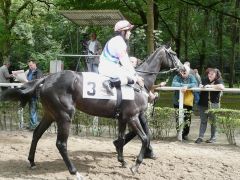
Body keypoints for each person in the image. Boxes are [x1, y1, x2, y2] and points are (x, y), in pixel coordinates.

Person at [98, 20, 144, 95]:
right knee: (133, 79)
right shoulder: (119, 42)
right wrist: (137, 77)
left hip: (108, 67)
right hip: (108, 69)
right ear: (123, 32)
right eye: (128, 31)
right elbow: (126, 62)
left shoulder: (115, 40)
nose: (130, 33)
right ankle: (109, 83)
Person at [195, 68, 224, 144]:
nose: (210, 75)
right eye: (209, 74)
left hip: (214, 104)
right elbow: (201, 85)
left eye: (212, 74)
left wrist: (211, 86)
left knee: (213, 122)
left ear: (216, 75)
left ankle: (213, 138)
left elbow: (221, 87)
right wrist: (205, 86)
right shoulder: (205, 79)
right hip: (203, 104)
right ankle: (200, 137)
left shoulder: (219, 80)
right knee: (203, 121)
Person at [172, 64, 198, 140]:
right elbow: (174, 84)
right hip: (177, 101)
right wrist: (183, 85)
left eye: (184, 71)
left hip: (188, 101)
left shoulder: (191, 77)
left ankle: (185, 134)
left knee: (188, 118)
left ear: (188, 71)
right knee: (178, 117)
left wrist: (187, 87)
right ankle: (179, 133)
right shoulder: (177, 77)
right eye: (181, 71)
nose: (183, 73)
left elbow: (194, 84)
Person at [26, 59, 43, 130]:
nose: (30, 66)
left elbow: (38, 81)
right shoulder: (29, 72)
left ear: (34, 64)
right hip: (29, 92)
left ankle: (34, 126)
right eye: (29, 65)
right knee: (31, 109)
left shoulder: (38, 72)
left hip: (34, 93)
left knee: (33, 109)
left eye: (31, 65)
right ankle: (32, 125)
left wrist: (29, 82)